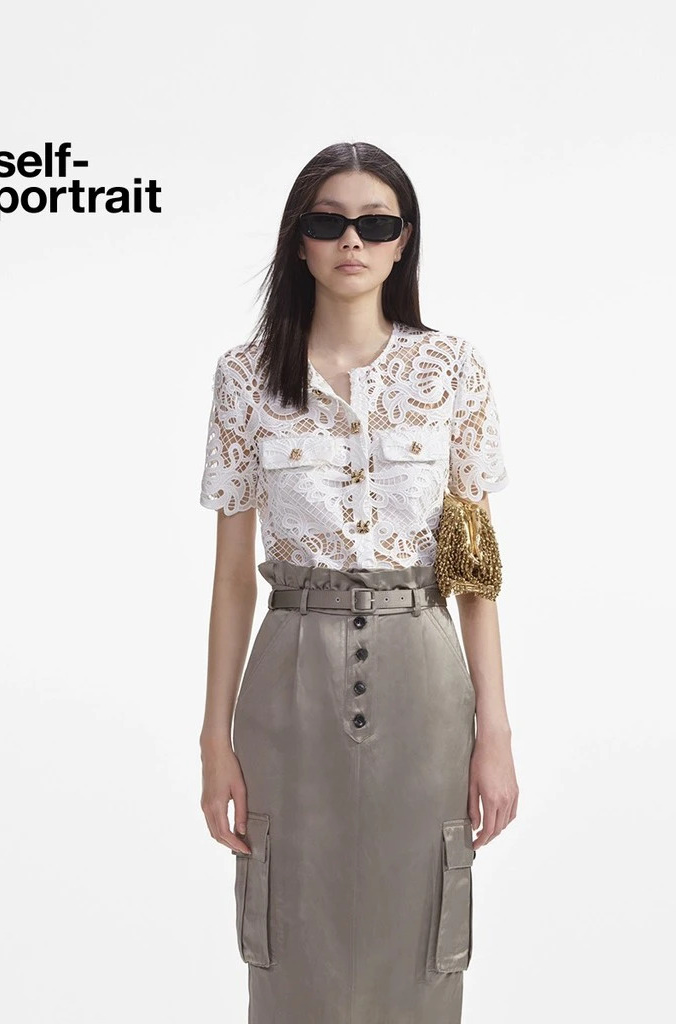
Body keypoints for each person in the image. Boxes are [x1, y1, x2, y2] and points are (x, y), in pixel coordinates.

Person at [198, 141, 519, 1024]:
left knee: (421, 932)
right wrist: (213, 740)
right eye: (328, 221)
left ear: (402, 241)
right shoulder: (245, 377)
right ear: (298, 241)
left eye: (376, 224)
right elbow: (231, 578)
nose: (352, 240)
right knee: (289, 927)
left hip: (425, 680)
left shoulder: (451, 370)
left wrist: (495, 733)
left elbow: (475, 575)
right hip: (289, 675)